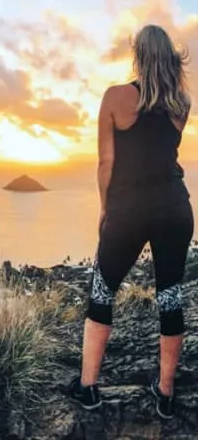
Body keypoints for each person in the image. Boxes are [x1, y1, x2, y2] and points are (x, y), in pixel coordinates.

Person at [68, 24, 193, 419]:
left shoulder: (115, 97)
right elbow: (160, 151)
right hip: (175, 209)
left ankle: (88, 388)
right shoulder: (182, 104)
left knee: (102, 292)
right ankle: (166, 393)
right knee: (170, 295)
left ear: (137, 56)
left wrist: (105, 209)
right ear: (170, 58)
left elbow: (106, 163)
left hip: (128, 210)